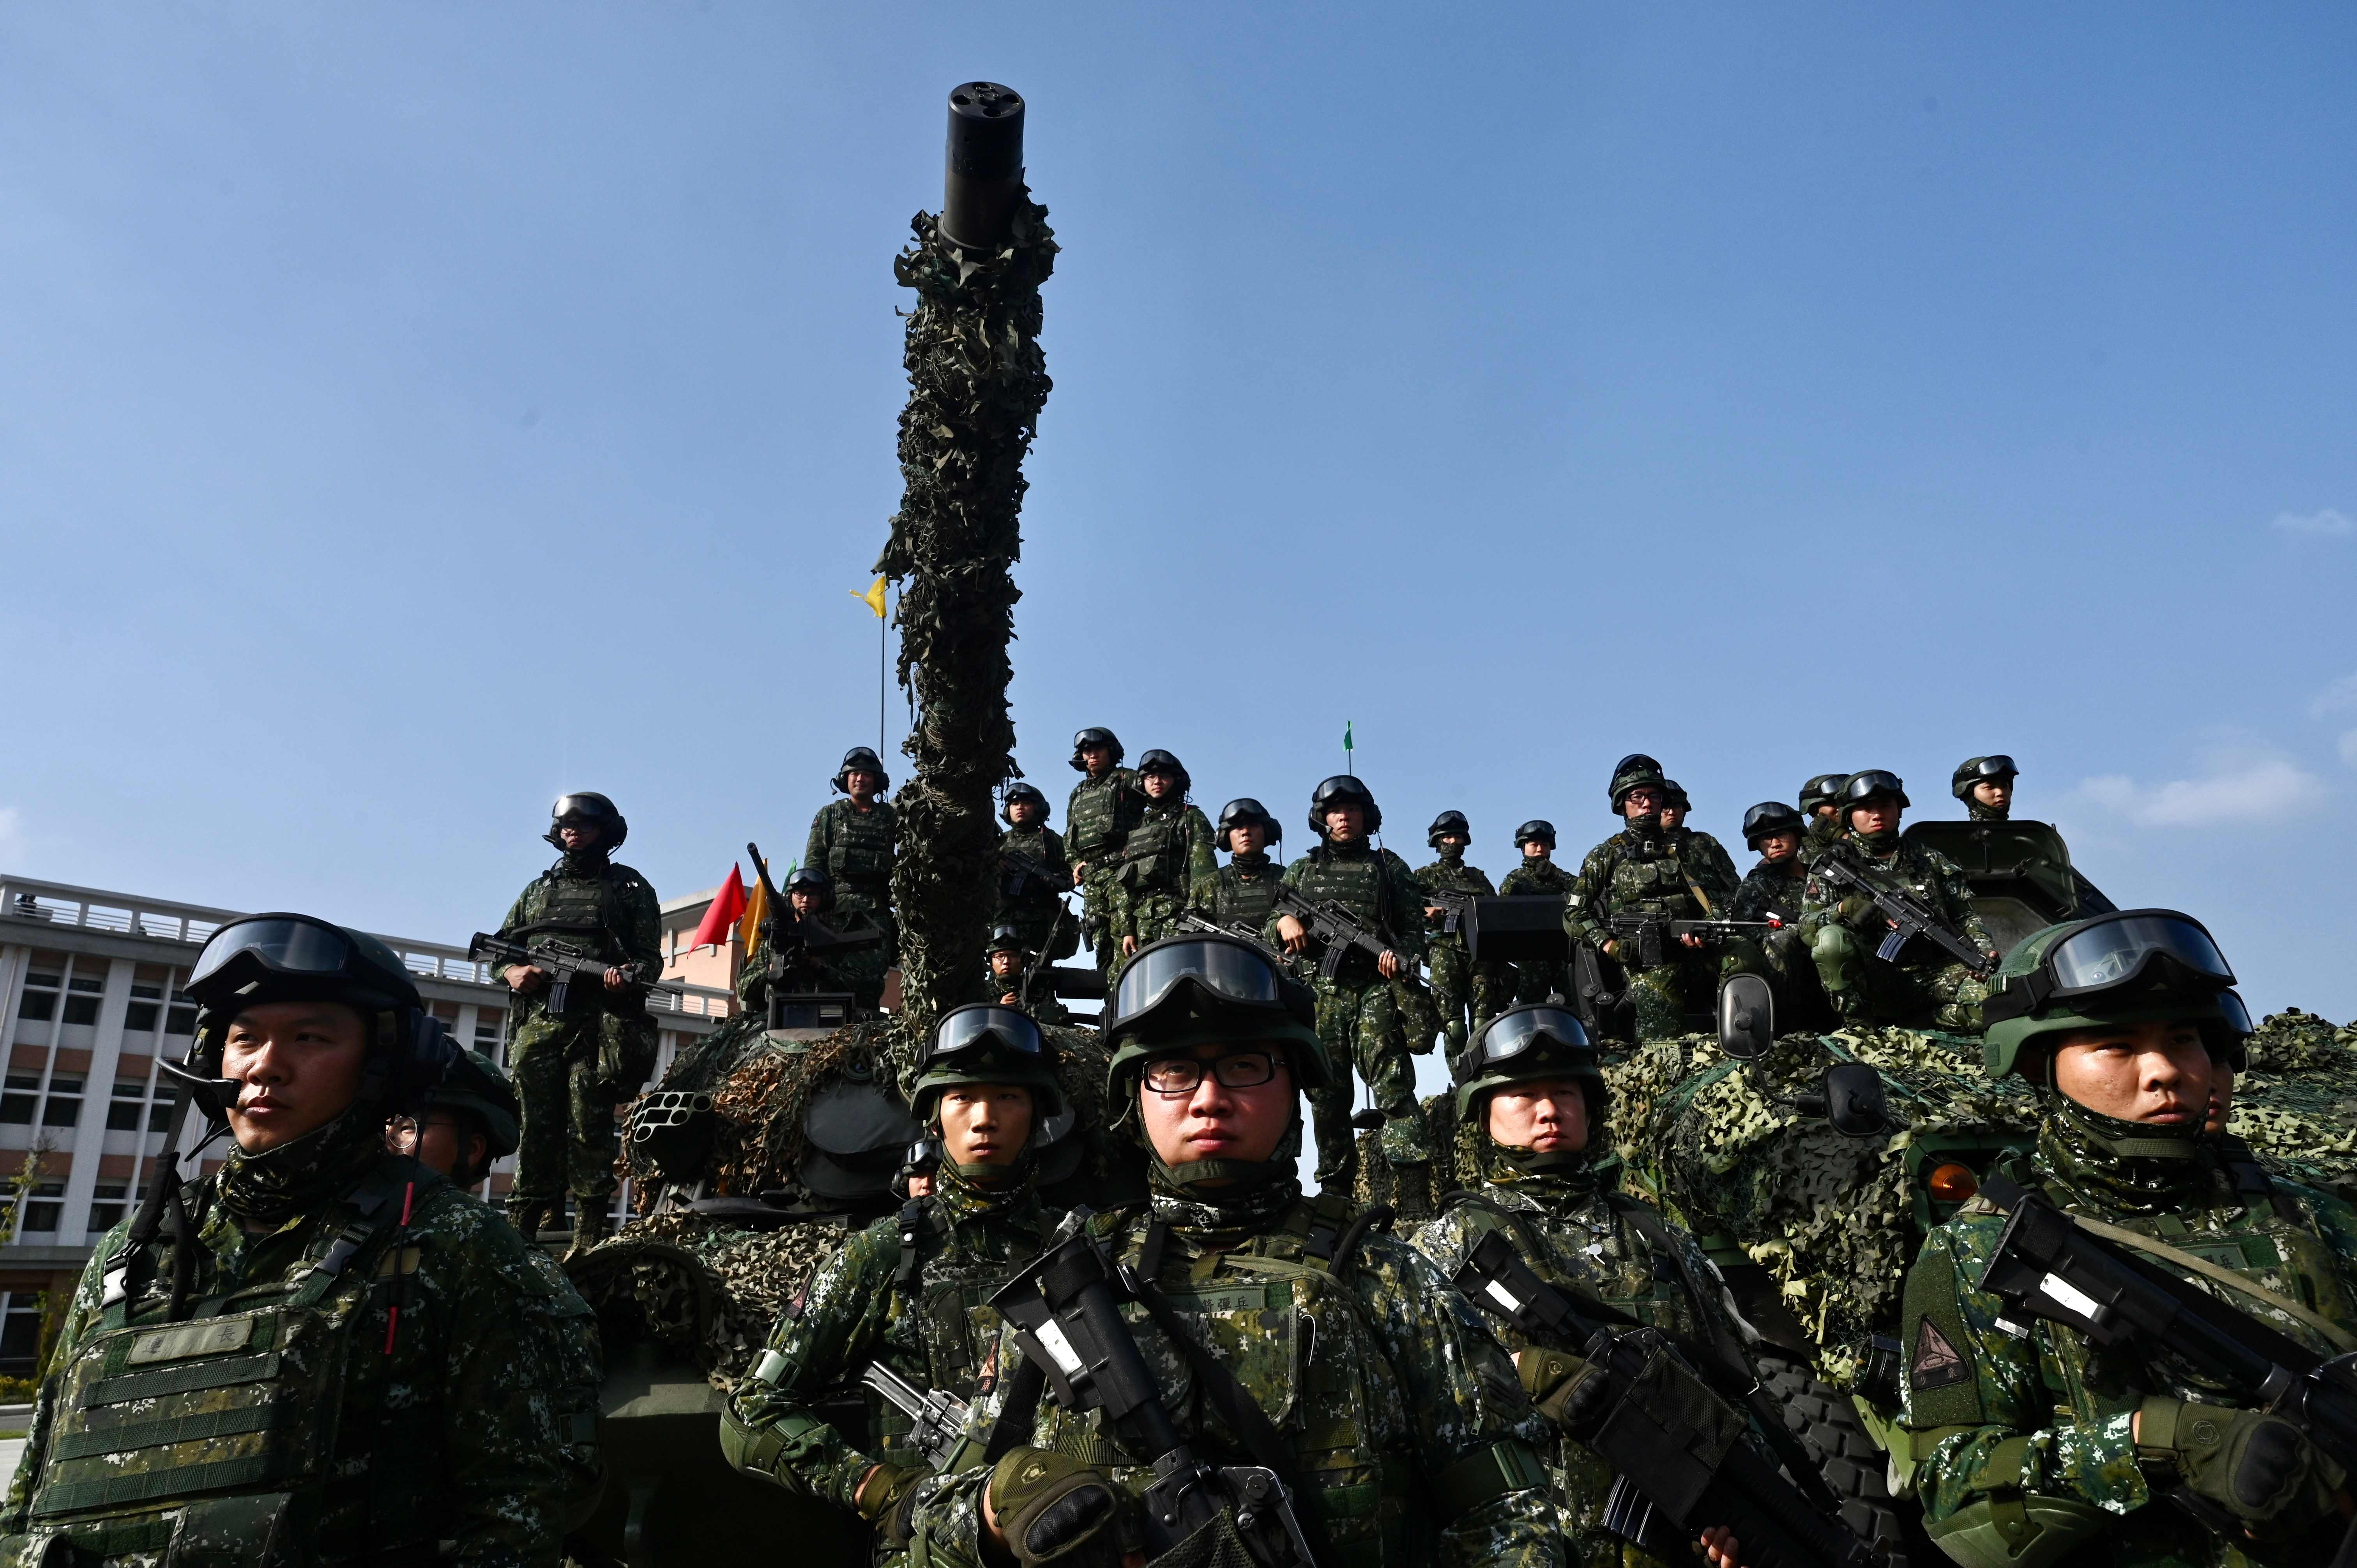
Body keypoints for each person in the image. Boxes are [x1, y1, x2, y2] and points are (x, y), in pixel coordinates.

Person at [889, 933, 1566, 1568]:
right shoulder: (1066, 1281)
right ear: (1135, 1096)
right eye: (1175, 1070)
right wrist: (994, 1505)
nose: (1208, 1099)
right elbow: (930, 1521)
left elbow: (1510, 1517)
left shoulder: (1384, 1278)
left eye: (1244, 1065)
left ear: (1294, 1088)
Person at [0, 913, 602, 1564]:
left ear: (383, 1063)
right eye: (244, 1037)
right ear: (211, 1057)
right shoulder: (131, 1251)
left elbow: (516, 1514)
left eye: (309, 1037)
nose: (266, 1066)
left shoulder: (455, 1242)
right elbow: (29, 1497)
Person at [1898, 910, 2357, 1567]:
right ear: (2038, 1063)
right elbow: (1954, 1490)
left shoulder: (2310, 1217)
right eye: (2115, 1045)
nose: (2163, 1071)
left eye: (2182, 1039)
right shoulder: (1978, 1252)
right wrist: (2157, 1441)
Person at [1412, 1005, 1761, 1567]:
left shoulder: (1659, 1237)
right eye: (1524, 1095)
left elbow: (1735, 1383)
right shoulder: (1448, 1247)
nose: (1549, 1110)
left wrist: (1741, 1513)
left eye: (1566, 1094)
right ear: (1483, 1114)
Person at [721, 1004, 1065, 1531]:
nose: (984, 1119)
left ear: (1037, 1114)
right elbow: (752, 1410)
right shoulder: (884, 1255)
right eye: (962, 1098)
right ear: (935, 1117)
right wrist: (876, 1488)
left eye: (1008, 1097)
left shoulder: (1079, 1251)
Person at [489, 791, 663, 1250]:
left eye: (585, 825)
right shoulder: (537, 890)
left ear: (604, 831)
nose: (574, 832)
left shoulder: (629, 888)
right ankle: (524, 1225)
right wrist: (513, 972)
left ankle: (588, 1231)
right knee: (535, 1126)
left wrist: (626, 979)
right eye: (567, 824)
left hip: (597, 1028)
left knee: (589, 1126)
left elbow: (649, 960)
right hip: (539, 1027)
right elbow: (501, 948)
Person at [1268, 776, 1431, 1190]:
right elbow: (1275, 917)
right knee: (1327, 1097)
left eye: (1352, 810)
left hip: (1374, 988)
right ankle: (1335, 1194)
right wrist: (1284, 922)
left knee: (1393, 1087)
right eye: (1335, 811)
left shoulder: (1389, 867)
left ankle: (1412, 1193)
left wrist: (1402, 958)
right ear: (1322, 818)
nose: (1344, 818)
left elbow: (1414, 929)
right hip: (1319, 994)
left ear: (1366, 816)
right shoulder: (1303, 870)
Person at [1565, 756, 1757, 1044]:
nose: (1647, 803)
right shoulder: (1605, 855)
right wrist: (1609, 945)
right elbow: (1574, 914)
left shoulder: (1689, 848)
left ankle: (1747, 1044)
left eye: (1654, 796)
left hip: (1697, 949)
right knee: (1663, 1038)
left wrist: (1709, 928)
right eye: (1637, 797)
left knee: (1744, 954)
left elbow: (1718, 897)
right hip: (1648, 960)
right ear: (1622, 804)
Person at [1797, 770, 1995, 1031]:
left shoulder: (1929, 859)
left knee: (1990, 1006)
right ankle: (1860, 1027)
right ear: (1849, 815)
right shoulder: (1833, 865)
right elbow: (1806, 927)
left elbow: (1965, 916)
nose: (1877, 815)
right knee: (1830, 940)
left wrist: (1983, 949)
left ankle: (1912, 1023)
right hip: (1875, 978)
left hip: (1935, 973)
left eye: (1885, 806)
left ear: (1900, 811)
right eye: (1866, 809)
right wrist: (1844, 909)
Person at [1107, 749, 1218, 971]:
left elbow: (1204, 876)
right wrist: (1128, 929)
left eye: (1164, 776)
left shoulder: (1190, 818)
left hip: (1180, 918)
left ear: (1176, 781)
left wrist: (1198, 919)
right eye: (1150, 777)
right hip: (1143, 922)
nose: (1157, 781)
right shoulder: (1139, 827)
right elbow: (1127, 883)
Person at [1730, 801, 1835, 1031]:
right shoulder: (1757, 884)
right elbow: (1744, 930)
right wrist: (1798, 932)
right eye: (1766, 839)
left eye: (1781, 835)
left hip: (1828, 961)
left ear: (1798, 837)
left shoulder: (1823, 876)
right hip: (1784, 968)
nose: (1775, 844)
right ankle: (1787, 1034)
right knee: (1779, 941)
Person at [739, 865, 889, 1015]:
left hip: (830, 1018)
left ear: (824, 899)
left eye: (813, 895)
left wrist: (820, 967)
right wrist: (770, 971)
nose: (806, 899)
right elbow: (743, 989)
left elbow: (866, 988)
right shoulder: (775, 941)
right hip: (778, 1019)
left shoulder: (837, 937)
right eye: (800, 894)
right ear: (790, 897)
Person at [1415, 809, 1504, 1053]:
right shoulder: (1424, 876)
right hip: (1444, 951)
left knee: (1483, 1021)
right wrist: (1426, 911)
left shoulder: (1478, 878)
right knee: (1453, 1025)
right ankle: (1460, 1075)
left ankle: (1486, 1070)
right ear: (1437, 841)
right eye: (1447, 838)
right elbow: (1402, 908)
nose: (1453, 842)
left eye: (1458, 837)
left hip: (1480, 953)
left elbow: (1494, 912)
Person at [1064, 727, 1144, 981]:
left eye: (1098, 750)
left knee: (1129, 937)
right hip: (1092, 880)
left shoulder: (1127, 780)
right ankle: (1111, 1005)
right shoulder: (1077, 794)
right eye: (1088, 751)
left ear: (1111, 752)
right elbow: (1069, 839)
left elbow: (1158, 802)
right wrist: (1076, 864)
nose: (1093, 756)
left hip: (1123, 872)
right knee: (1102, 942)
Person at [806, 746, 901, 959]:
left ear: (876, 780)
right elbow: (814, 867)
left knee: (872, 979)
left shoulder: (892, 818)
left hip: (878, 913)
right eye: (855, 774)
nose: (860, 779)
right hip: (836, 914)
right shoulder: (829, 815)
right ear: (845, 779)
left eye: (866, 774)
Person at [387, 1047, 520, 1194]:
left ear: (471, 1148)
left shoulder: (473, 1217)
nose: (386, 1138)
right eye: (387, 1123)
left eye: (407, 1128)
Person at [1499, 821, 1575, 1006]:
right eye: (1534, 845)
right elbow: (1501, 914)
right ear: (1524, 848)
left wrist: (1557, 875)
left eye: (1545, 845)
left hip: (1563, 951)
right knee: (1531, 1006)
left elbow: (1585, 890)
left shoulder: (1561, 878)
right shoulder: (1515, 879)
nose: (1540, 850)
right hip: (1529, 953)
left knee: (1572, 1003)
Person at [995, 781, 1074, 960]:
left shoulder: (1052, 840)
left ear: (1037, 808)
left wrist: (1054, 880)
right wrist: (996, 869)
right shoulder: (999, 843)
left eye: (1026, 803)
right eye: (1015, 804)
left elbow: (1070, 875)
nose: (1020, 808)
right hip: (1006, 921)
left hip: (1041, 922)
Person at [1191, 797, 1288, 935]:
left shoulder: (1286, 879)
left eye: (1254, 825)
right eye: (1237, 827)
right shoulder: (1209, 886)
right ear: (1225, 837)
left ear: (1268, 832)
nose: (1245, 832)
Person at [984, 922, 1067, 1024]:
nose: (1006, 962)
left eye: (1013, 956)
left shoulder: (1040, 990)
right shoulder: (982, 992)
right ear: (991, 962)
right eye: (1000, 957)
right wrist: (999, 1012)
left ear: (1023, 960)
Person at [1797, 773, 1850, 862]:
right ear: (1813, 810)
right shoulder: (1797, 848)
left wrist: (1843, 836)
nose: (1841, 809)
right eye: (1833, 803)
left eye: (1844, 803)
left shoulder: (1865, 840)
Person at [1950, 755, 2016, 822]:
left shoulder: (2023, 832)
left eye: (2004, 786)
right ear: (1969, 794)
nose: (2000, 793)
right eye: (1989, 787)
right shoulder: (1951, 832)